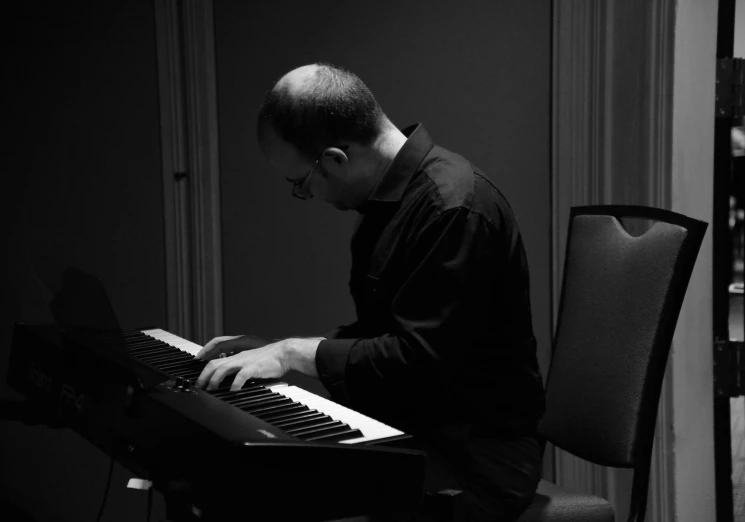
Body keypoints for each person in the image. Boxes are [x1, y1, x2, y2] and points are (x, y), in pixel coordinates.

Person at [194, 62, 545, 521]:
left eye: (301, 183)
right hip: (418, 430)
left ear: (337, 159)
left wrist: (297, 355)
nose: (309, 196)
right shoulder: (388, 205)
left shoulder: (452, 208)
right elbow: (386, 337)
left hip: (478, 461)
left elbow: (419, 364)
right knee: (235, 478)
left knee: (265, 500)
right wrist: (281, 352)